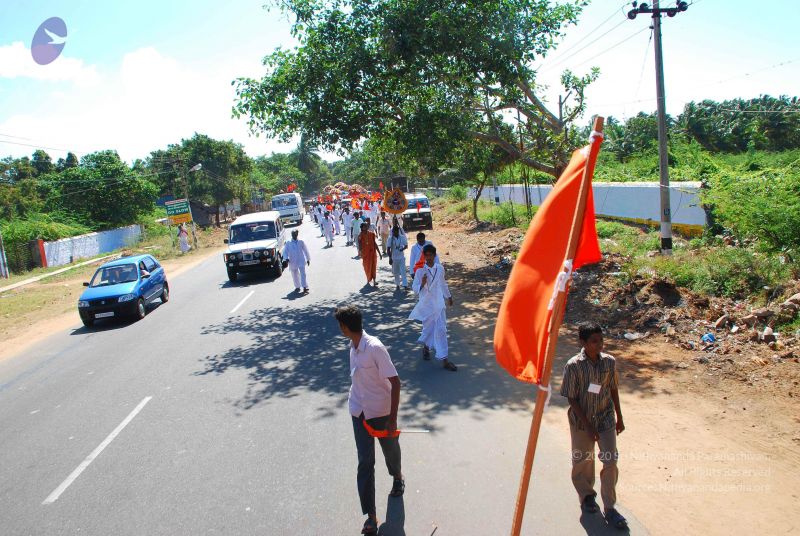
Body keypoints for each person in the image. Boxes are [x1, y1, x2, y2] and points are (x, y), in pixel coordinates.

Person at [335, 306, 404, 536]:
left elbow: (395, 383)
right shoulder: (353, 347)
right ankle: (371, 517)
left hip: (381, 413)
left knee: (390, 451)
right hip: (359, 411)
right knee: (365, 462)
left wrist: (392, 419)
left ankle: (397, 477)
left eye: (340, 325)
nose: (340, 329)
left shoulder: (375, 348)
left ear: (345, 327)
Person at [559, 322, 627, 530]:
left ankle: (610, 507)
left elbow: (613, 389)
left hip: (605, 419)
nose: (599, 345)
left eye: (601, 340)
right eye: (594, 341)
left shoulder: (609, 362)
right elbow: (571, 398)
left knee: (610, 460)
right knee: (583, 460)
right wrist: (588, 426)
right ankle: (587, 496)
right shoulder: (573, 366)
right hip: (582, 421)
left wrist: (619, 417)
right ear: (583, 343)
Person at [409, 244, 456, 371]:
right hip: (427, 305)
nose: (428, 257)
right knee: (428, 329)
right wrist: (422, 284)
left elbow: (443, 284)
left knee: (441, 330)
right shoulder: (420, 271)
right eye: (426, 255)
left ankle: (444, 359)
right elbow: (414, 288)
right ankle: (426, 348)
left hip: (439, 304)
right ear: (424, 256)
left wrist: (449, 296)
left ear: (435, 256)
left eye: (431, 255)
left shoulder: (440, 268)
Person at [358, 222, 382, 287]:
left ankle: (374, 281)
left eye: (366, 226)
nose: (365, 227)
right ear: (362, 228)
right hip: (365, 254)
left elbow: (375, 243)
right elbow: (359, 244)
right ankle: (368, 278)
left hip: (373, 253)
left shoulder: (372, 234)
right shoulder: (360, 235)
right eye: (364, 226)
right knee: (367, 267)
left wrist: (379, 253)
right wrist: (360, 252)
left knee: (373, 267)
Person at [386, 225, 409, 290]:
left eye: (396, 231)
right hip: (394, 258)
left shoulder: (402, 237)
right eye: (394, 231)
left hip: (401, 257)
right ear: (392, 232)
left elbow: (406, 245)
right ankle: (397, 284)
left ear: (398, 231)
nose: (395, 233)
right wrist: (390, 258)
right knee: (396, 272)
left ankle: (405, 285)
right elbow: (388, 249)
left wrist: (402, 248)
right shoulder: (390, 238)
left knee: (403, 271)